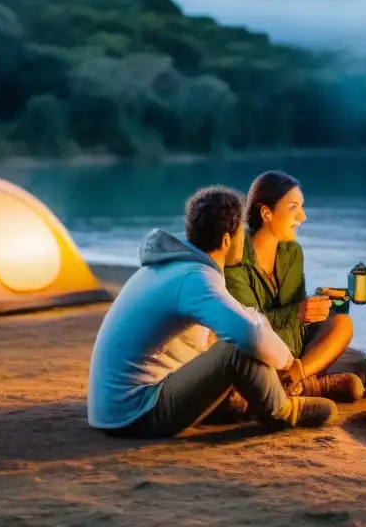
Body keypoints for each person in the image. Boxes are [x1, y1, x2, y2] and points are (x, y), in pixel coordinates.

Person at [86, 185, 337, 437]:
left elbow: (243, 319)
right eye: (242, 233)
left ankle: (271, 395)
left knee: (231, 336)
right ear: (227, 240)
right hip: (137, 412)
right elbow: (251, 335)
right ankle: (285, 409)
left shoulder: (176, 267)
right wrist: (289, 363)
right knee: (239, 347)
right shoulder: (196, 278)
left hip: (117, 408)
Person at [224, 171, 364, 403]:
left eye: (302, 207)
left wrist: (318, 304)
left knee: (342, 323)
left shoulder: (292, 252)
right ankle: (306, 387)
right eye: (293, 207)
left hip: (290, 346)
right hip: (255, 345)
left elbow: (296, 309)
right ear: (266, 213)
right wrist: (298, 313)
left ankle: (291, 381)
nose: (303, 216)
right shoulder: (235, 257)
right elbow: (248, 325)